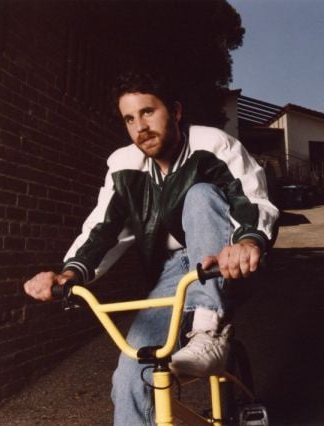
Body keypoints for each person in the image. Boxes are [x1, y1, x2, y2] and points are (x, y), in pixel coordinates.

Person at [23, 71, 279, 424]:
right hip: (173, 275)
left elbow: (251, 199)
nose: (140, 127)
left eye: (148, 112)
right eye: (130, 118)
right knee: (131, 375)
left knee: (199, 195)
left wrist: (248, 241)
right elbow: (103, 229)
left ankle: (210, 329)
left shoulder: (212, 144)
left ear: (174, 111)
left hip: (222, 261)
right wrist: (68, 274)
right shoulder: (123, 165)